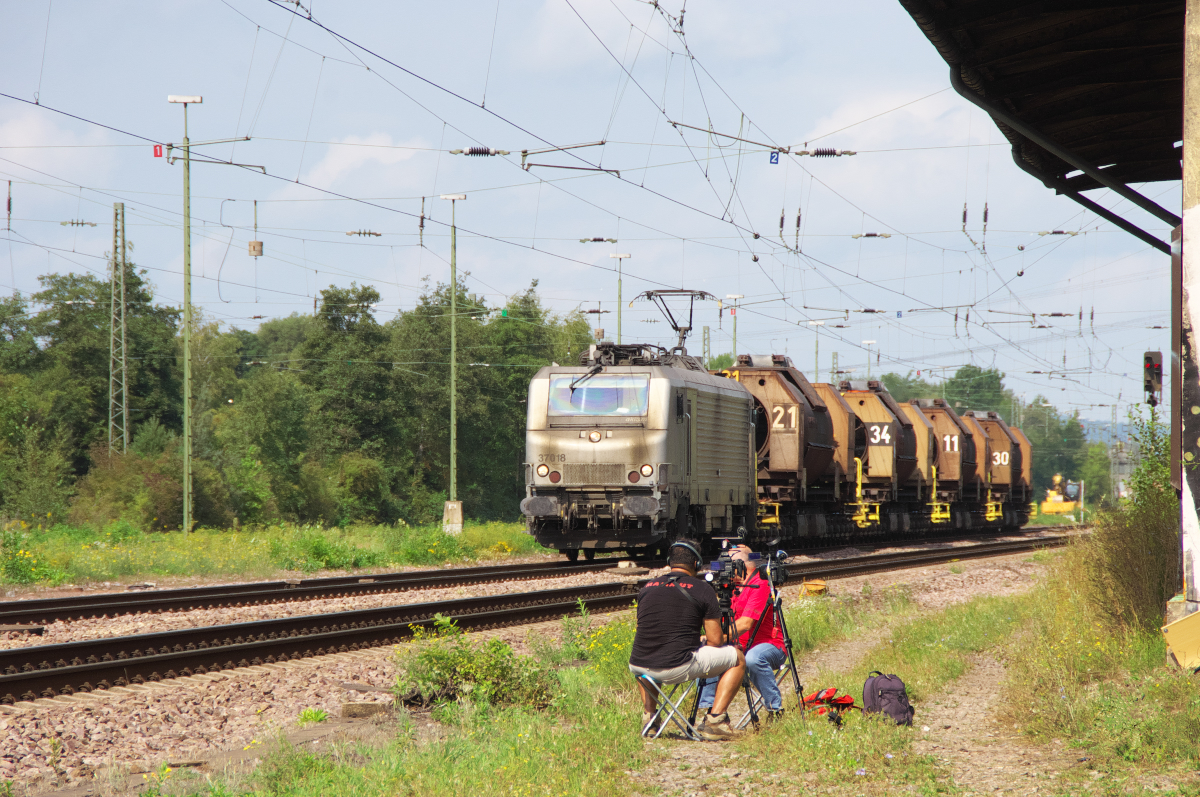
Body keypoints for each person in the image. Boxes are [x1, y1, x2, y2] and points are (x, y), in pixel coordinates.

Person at [628, 539, 748, 740]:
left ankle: (650, 719)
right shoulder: (702, 589)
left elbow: (644, 629)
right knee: (737, 658)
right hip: (676, 666)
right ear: (697, 564)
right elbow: (716, 640)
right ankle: (715, 721)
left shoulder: (647, 587)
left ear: (669, 561)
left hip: (639, 665)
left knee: (651, 652)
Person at [698, 544, 788, 720]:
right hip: (740, 646)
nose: (724, 570)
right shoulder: (732, 589)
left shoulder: (759, 584)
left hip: (769, 645)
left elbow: (746, 624)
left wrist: (720, 638)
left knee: (753, 658)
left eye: (728, 565)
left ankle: (774, 709)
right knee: (709, 652)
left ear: (742, 564)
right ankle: (712, 712)